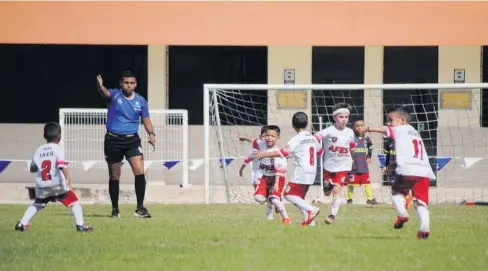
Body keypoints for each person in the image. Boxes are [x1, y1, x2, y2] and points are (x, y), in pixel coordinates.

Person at [366, 106, 435, 239]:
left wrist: (368, 129)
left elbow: (386, 130)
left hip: (407, 169)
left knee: (396, 193)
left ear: (402, 120)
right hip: (424, 171)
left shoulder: (399, 130)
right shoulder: (415, 132)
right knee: (421, 202)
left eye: (391, 120)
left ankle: (402, 213)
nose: (389, 123)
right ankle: (424, 227)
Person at [96, 71, 156, 218]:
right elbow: (105, 94)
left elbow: (146, 118)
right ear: (121, 83)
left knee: (139, 170)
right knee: (115, 175)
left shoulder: (141, 101)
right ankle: (115, 209)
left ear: (135, 84)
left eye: (131, 83)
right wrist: (100, 86)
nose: (129, 85)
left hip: (132, 140)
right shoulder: (115, 95)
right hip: (113, 140)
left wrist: (151, 134)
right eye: (126, 83)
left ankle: (140, 208)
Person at [15, 122, 93, 232]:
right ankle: (80, 225)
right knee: (74, 203)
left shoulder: (39, 150)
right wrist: (68, 180)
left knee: (37, 204)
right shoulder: (57, 148)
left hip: (42, 185)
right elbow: (62, 165)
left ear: (44, 136)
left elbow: (32, 168)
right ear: (59, 136)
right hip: (57, 184)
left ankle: (22, 223)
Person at [254, 112, 322, 226]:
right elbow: (319, 152)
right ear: (307, 124)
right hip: (312, 171)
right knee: (299, 198)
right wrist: (298, 153)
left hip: (301, 171)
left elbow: (282, 152)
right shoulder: (312, 137)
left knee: (288, 194)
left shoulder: (297, 138)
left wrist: (264, 154)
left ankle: (312, 209)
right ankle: (310, 222)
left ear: (293, 125)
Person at [314, 103, 355, 225]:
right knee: (327, 192)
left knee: (337, 190)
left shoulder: (350, 132)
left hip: (343, 165)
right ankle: (329, 187)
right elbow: (315, 137)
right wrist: (318, 149)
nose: (344, 119)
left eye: (346, 117)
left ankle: (332, 216)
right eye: (341, 117)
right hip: (329, 166)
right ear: (334, 118)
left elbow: (352, 146)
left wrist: (353, 157)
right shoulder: (328, 131)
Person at [238, 125, 278, 220]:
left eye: (270, 136)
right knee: (261, 197)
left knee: (270, 196)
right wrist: (241, 169)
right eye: (265, 136)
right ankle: (270, 201)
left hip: (269, 175)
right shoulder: (257, 148)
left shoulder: (274, 149)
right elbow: (248, 159)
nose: (267, 138)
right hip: (257, 174)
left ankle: (270, 213)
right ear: (260, 137)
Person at [347, 120, 379, 205]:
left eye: (361, 125)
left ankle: (370, 199)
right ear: (353, 127)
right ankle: (349, 199)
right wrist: (348, 158)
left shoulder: (366, 138)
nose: (359, 127)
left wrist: (369, 156)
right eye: (357, 125)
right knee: (351, 183)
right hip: (353, 165)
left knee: (367, 182)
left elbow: (370, 146)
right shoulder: (351, 137)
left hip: (363, 164)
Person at [384, 136, 413, 209]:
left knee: (403, 183)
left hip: (402, 165)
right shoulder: (389, 140)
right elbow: (387, 155)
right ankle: (395, 203)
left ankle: (407, 198)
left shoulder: (405, 140)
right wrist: (386, 165)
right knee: (393, 184)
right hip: (391, 165)